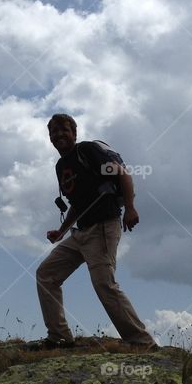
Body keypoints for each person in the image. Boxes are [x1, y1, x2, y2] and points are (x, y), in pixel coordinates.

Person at [34, 113, 157, 350]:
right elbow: (77, 205)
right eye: (53, 132)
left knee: (103, 283)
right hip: (80, 233)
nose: (58, 135)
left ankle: (142, 342)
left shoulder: (89, 151)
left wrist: (130, 208)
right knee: (46, 274)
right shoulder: (61, 166)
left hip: (103, 226)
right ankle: (59, 337)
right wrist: (61, 231)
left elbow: (122, 173)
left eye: (64, 130)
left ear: (74, 133)